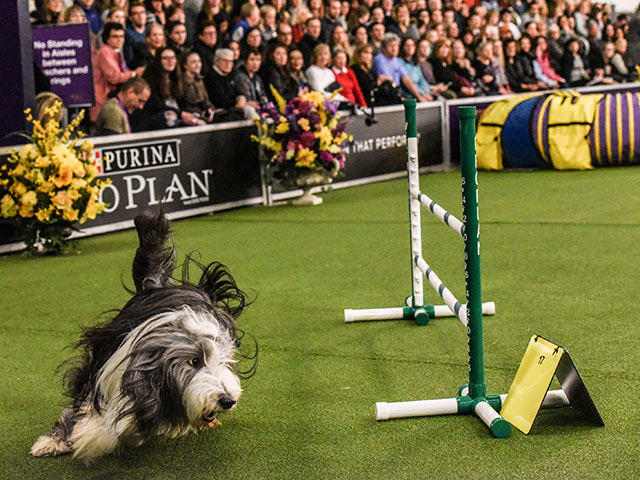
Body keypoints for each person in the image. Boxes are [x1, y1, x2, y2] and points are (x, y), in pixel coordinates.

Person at [133, 46, 202, 130]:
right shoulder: (150, 78)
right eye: (166, 58)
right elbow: (157, 106)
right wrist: (181, 114)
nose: (170, 61)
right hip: (156, 117)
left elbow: (184, 103)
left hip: (177, 114)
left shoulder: (177, 78)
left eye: (173, 58)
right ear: (159, 61)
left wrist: (195, 114)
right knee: (170, 118)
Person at [91, 22, 145, 122]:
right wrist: (134, 73)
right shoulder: (105, 52)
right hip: (103, 102)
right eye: (115, 36)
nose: (119, 39)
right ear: (107, 38)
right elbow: (115, 77)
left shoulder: (116, 51)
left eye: (122, 36)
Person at [373, 33, 429, 102]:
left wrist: (419, 97)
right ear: (384, 48)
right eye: (391, 46)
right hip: (386, 94)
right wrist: (400, 98)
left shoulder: (396, 60)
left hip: (396, 92)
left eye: (396, 46)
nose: (394, 49)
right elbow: (388, 80)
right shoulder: (380, 59)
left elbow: (406, 79)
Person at [204, 48, 254, 121]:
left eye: (231, 61)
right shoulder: (211, 76)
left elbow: (237, 91)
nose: (228, 64)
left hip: (232, 107)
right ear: (216, 61)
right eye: (225, 61)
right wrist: (237, 103)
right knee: (248, 110)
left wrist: (241, 97)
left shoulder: (229, 74)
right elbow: (220, 100)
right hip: (219, 111)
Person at [179, 50, 215, 120]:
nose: (198, 65)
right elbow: (184, 105)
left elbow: (206, 101)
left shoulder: (199, 80)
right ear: (185, 65)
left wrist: (209, 109)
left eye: (199, 61)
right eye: (193, 62)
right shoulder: (181, 82)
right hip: (190, 116)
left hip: (203, 114)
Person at [124, 2, 148, 66]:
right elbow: (130, 60)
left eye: (142, 12)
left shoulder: (150, 31)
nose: (140, 16)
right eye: (136, 14)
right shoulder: (127, 34)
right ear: (130, 17)